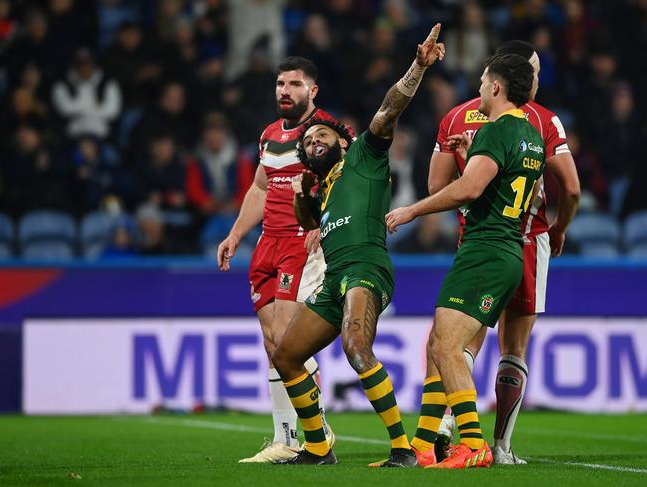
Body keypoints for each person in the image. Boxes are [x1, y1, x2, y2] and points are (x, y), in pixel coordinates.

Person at [270, 24, 445, 466]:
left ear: (342, 142)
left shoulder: (364, 156)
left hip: (367, 267)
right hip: (334, 277)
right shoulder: (322, 189)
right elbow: (310, 222)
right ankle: (317, 447)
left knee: (356, 348)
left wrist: (417, 69)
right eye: (307, 142)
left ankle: (403, 449)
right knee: (287, 355)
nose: (313, 143)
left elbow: (388, 110)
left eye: (321, 137)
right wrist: (301, 196)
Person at [386, 52, 545, 469]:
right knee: (440, 342)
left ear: (496, 87)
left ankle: (472, 443)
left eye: (481, 81)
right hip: (507, 248)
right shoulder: (529, 133)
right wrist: (475, 149)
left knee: (449, 346)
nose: (477, 88)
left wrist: (411, 211)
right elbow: (503, 177)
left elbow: (469, 189)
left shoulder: (493, 129)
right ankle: (423, 444)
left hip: (485, 249)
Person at [425, 40, 581, 465]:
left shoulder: (458, 116)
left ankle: (444, 426)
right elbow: (570, 187)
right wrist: (560, 226)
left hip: (477, 238)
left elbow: (438, 189)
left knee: (456, 340)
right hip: (528, 239)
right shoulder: (543, 122)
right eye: (533, 71)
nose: (535, 79)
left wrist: (466, 169)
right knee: (514, 348)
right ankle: (501, 447)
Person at [217, 57, 341, 463]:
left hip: (300, 241)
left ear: (312, 91)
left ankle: (303, 436)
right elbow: (259, 187)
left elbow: (352, 181)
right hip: (266, 242)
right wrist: (236, 234)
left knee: (289, 341)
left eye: (294, 84)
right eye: (280, 83)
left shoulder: (328, 133)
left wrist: (326, 223)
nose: (285, 91)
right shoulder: (270, 135)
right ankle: (291, 435)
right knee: (274, 344)